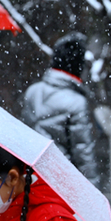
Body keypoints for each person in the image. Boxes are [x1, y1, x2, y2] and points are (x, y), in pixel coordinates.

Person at [21, 32, 101, 188]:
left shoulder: (32, 91)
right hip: (61, 183)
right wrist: (92, 191)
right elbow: (83, 154)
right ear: (78, 66)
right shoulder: (77, 102)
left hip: (31, 178)